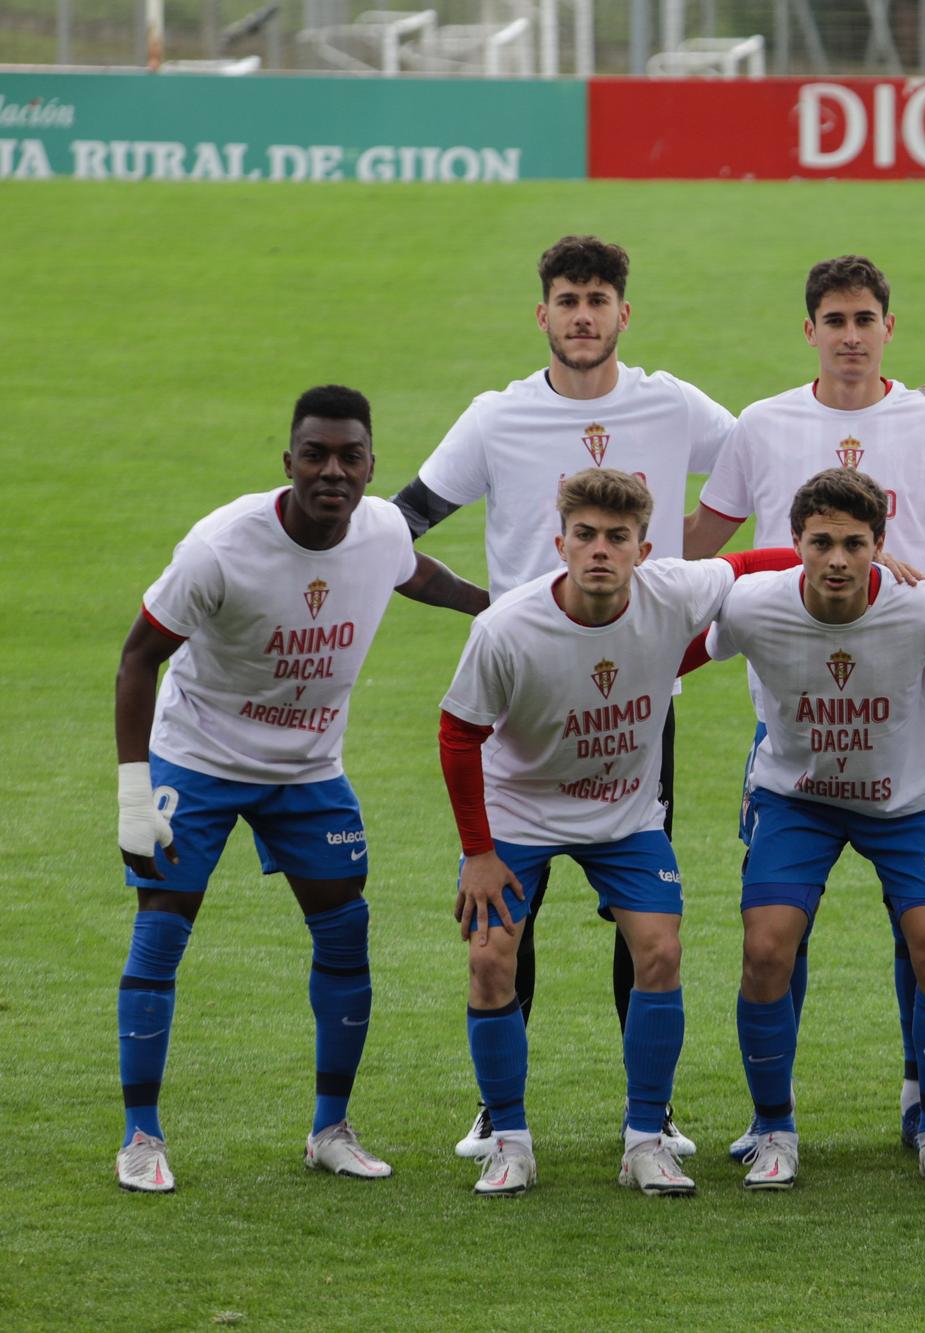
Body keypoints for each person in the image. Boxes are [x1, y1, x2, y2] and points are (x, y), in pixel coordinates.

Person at [395, 235, 735, 1160]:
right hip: (521, 690)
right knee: (510, 909)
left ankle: (651, 1111)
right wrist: (483, 603)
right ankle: (498, 1111)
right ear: (540, 314)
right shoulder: (496, 418)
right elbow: (406, 519)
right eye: (566, 300)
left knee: (644, 918)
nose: (583, 315)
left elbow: (771, 458)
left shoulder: (671, 403)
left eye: (598, 300)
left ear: (625, 313)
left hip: (635, 687)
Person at [113, 385, 487, 1193]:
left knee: (345, 934)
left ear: (371, 465)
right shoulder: (221, 547)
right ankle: (141, 1135)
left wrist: (495, 608)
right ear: (287, 462)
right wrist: (133, 793)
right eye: (315, 454)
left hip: (308, 770)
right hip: (198, 758)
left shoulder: (382, 526)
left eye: (350, 456)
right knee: (162, 932)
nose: (333, 471)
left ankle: (330, 1128)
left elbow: (415, 573)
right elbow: (138, 655)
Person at [682, 255, 925, 1157]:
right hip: (797, 706)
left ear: (888, 327)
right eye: (835, 318)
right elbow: (707, 541)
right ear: (810, 329)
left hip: (902, 681)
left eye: (865, 318)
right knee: (775, 934)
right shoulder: (764, 423)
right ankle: (770, 1120)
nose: (851, 334)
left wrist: (911, 574)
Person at [436, 468, 793, 1198]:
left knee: (661, 949)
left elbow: (760, 561)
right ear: (560, 541)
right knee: (490, 960)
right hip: (519, 813)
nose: (601, 550)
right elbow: (457, 734)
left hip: (625, 815)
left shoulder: (674, 591)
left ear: (644, 547)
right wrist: (477, 850)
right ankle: (508, 1139)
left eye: (618, 538)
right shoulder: (505, 628)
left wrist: (871, 561)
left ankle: (644, 1140)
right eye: (587, 535)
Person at [704, 469, 925, 1190]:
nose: (839, 559)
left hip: (908, 801)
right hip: (797, 798)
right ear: (796, 545)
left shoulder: (919, 607)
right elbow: (684, 644)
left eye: (855, 543)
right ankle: (774, 1127)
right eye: (821, 542)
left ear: (882, 544)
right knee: (765, 948)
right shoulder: (753, 607)